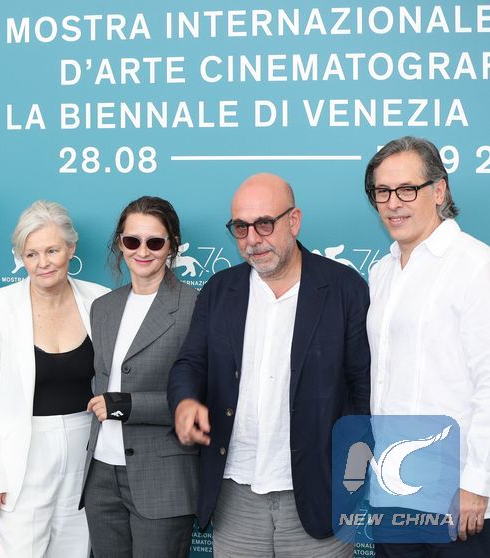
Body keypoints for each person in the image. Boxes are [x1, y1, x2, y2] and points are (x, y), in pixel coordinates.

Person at [168, 173, 370, 557]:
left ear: (294, 221)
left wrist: (351, 473)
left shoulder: (344, 288)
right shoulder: (219, 290)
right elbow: (189, 364)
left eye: (264, 223)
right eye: (240, 227)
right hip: (235, 496)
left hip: (320, 493)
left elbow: (364, 389)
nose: (252, 239)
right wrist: (185, 401)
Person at [363, 136, 490, 557]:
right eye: (382, 192)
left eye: (406, 190)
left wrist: (477, 484)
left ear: (439, 191)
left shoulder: (476, 266)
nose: (392, 203)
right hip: (392, 491)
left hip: (457, 498)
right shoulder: (381, 273)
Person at [0, 200, 109, 557]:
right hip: (20, 458)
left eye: (52, 250)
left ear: (71, 249)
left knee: (74, 550)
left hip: (84, 452)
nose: (42, 262)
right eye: (31, 254)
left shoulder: (100, 300)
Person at [80, 196, 199, 558]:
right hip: (101, 475)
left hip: (162, 478)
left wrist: (125, 406)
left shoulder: (195, 306)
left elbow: (203, 397)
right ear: (120, 243)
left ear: (172, 246)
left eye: (155, 242)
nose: (142, 251)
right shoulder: (104, 307)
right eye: (132, 241)